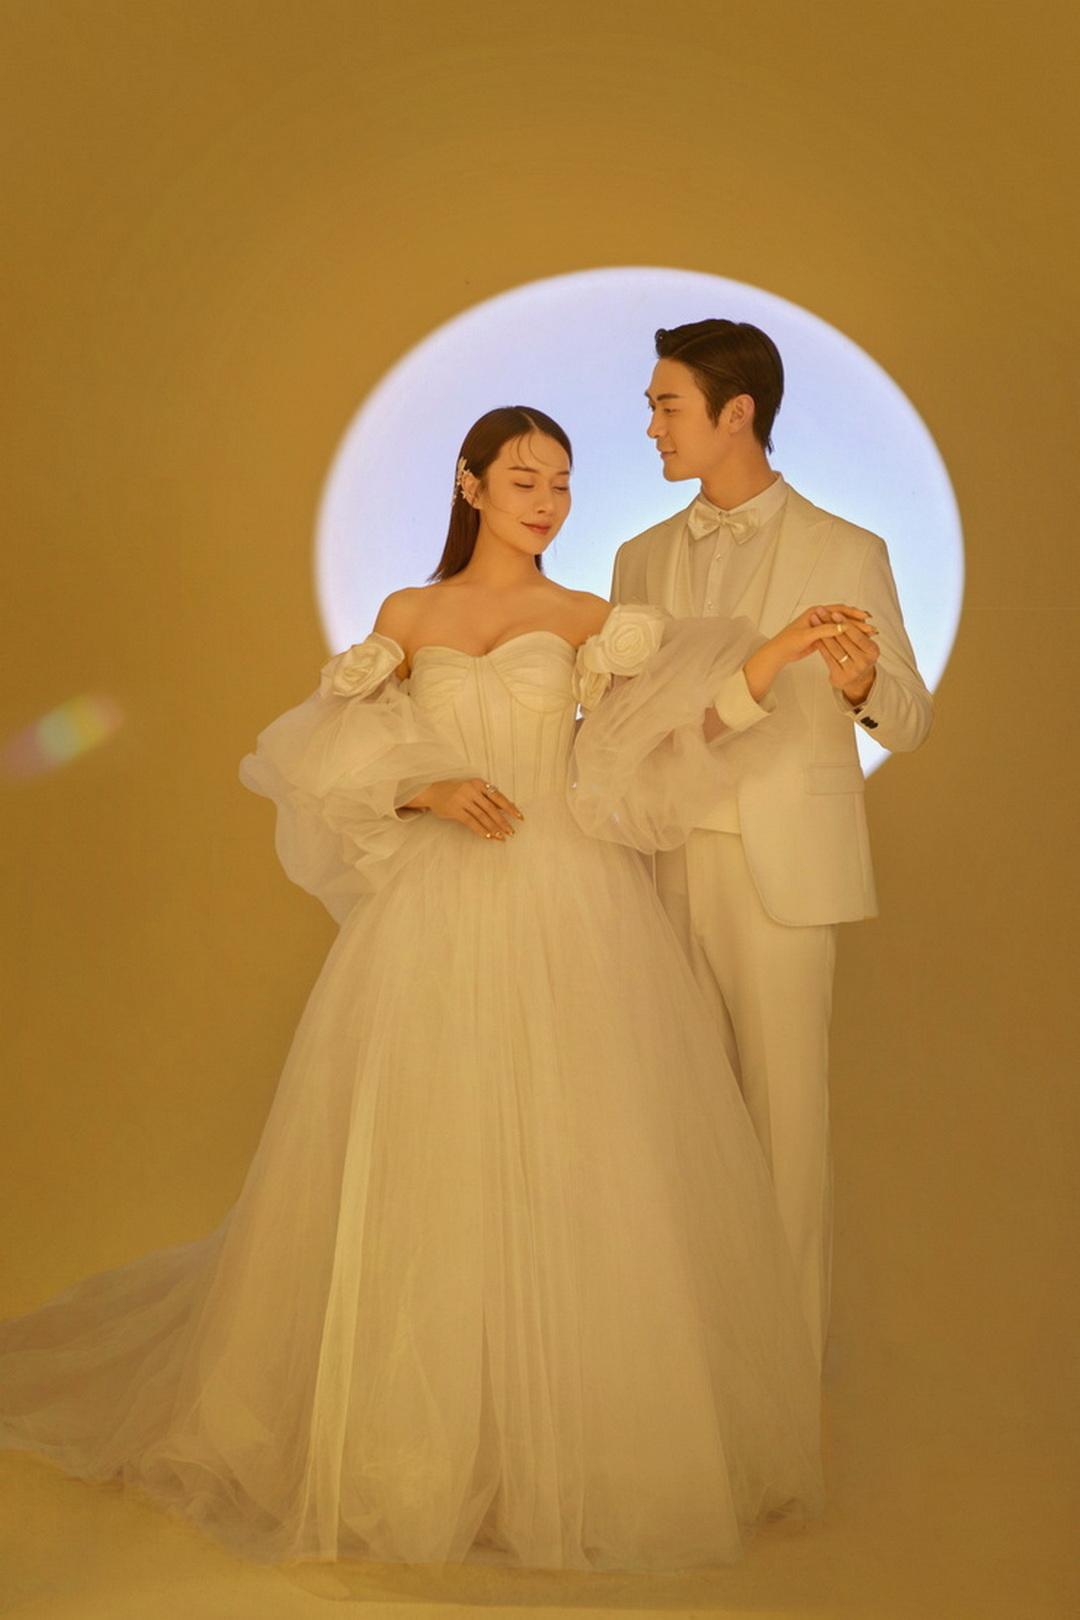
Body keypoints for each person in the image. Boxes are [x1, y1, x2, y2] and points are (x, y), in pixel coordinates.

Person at [0, 405, 869, 1572]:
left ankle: (572, 1457)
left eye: (562, 482)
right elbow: (330, 752)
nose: (547, 501)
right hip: (441, 907)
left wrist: (778, 653)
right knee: (434, 1152)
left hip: (570, 894)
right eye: (525, 479)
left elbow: (670, 734)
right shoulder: (408, 617)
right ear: (470, 486)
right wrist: (427, 788)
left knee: (580, 1159)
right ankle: (419, 1453)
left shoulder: (590, 618)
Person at [610, 320, 935, 1371]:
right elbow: (624, 722)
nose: (651, 426)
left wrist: (859, 685)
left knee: (788, 1138)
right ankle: (694, 1383)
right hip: (664, 861)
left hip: (786, 872)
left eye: (667, 405)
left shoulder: (849, 549)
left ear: (736, 412)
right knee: (678, 1129)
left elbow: (908, 719)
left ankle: (786, 1390)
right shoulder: (637, 558)